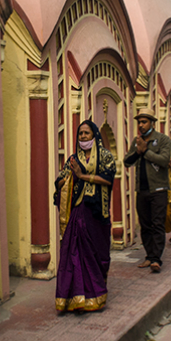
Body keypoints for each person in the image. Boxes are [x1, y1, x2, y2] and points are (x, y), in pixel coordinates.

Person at [53, 120, 115, 312]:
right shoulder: (73, 159)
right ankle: (77, 298)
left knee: (99, 253)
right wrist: (66, 179)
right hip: (78, 211)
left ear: (94, 135)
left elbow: (107, 178)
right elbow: (60, 180)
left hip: (98, 212)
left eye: (87, 133)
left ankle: (97, 292)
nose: (83, 137)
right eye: (80, 134)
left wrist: (82, 176)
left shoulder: (105, 156)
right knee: (74, 253)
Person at [123, 109, 171, 273]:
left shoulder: (163, 140)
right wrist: (138, 151)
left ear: (152, 122)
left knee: (157, 224)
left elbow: (164, 161)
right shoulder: (137, 141)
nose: (141, 125)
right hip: (142, 190)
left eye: (144, 122)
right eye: (139, 122)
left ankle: (156, 259)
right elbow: (126, 161)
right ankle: (149, 256)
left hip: (159, 189)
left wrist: (145, 151)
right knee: (145, 225)